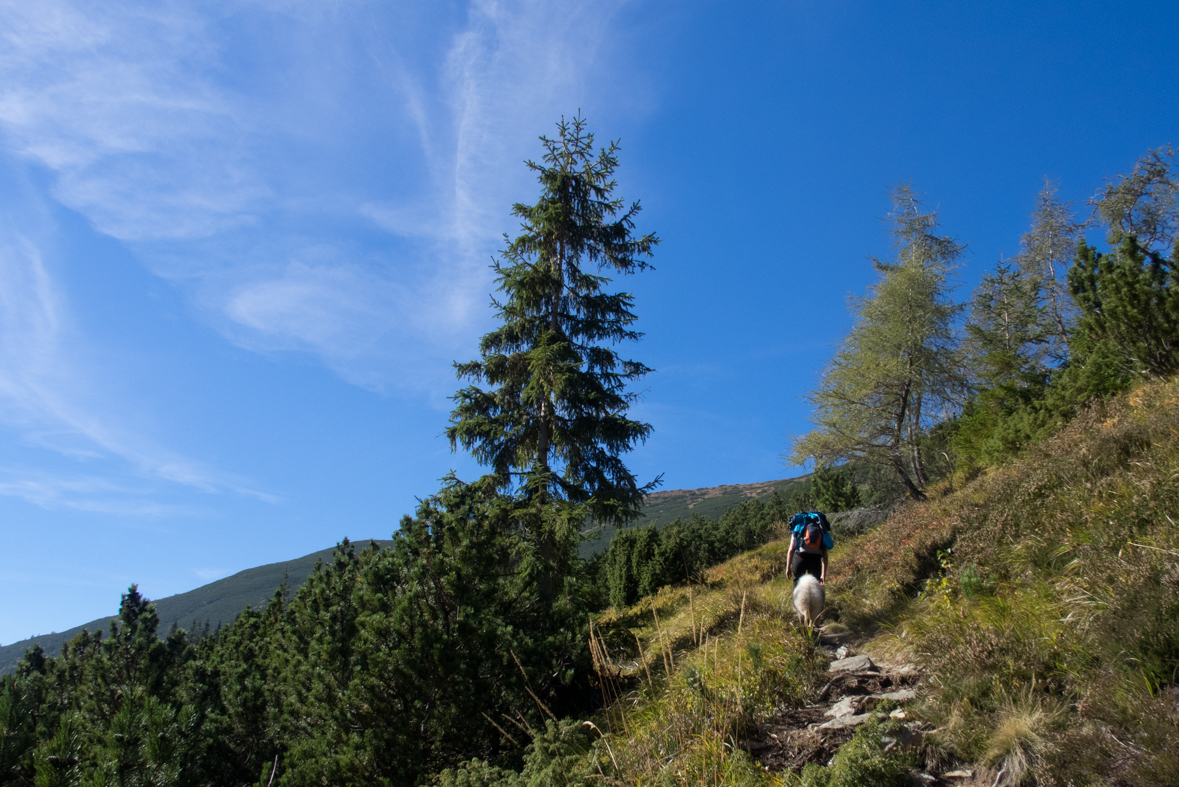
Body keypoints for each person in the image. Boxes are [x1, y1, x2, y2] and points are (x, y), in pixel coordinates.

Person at [785, 512, 828, 586]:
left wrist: (788, 567)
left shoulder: (798, 526)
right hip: (816, 560)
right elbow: (825, 556)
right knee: (815, 587)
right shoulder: (820, 528)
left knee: (797, 583)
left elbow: (791, 549)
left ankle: (798, 597)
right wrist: (823, 575)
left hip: (801, 558)